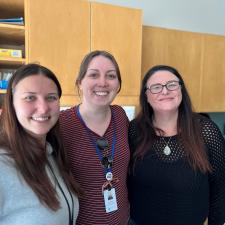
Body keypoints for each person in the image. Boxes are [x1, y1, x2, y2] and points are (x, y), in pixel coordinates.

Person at [128, 65, 225, 225]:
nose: (165, 91)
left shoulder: (206, 131)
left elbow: (220, 186)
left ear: (181, 89)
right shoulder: (133, 130)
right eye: (156, 87)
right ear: (146, 95)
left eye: (172, 84)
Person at [0, 63, 80, 225]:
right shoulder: (3, 166)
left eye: (51, 97)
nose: (43, 109)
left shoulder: (52, 154)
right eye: (30, 97)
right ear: (12, 104)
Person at [59, 50, 130, 225]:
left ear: (118, 84)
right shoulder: (61, 124)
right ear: (80, 82)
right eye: (93, 75)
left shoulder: (121, 116)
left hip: (124, 220)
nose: (103, 82)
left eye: (111, 76)